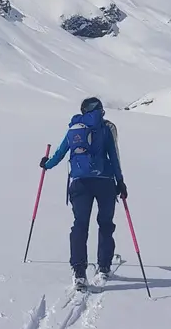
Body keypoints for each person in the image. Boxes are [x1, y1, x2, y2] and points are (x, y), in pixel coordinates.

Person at [40, 96, 128, 288]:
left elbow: (61, 152)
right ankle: (104, 268)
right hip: (105, 182)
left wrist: (47, 165)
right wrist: (120, 181)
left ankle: (79, 272)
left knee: (80, 225)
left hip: (79, 183)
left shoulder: (75, 128)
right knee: (105, 224)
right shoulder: (106, 128)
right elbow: (113, 156)